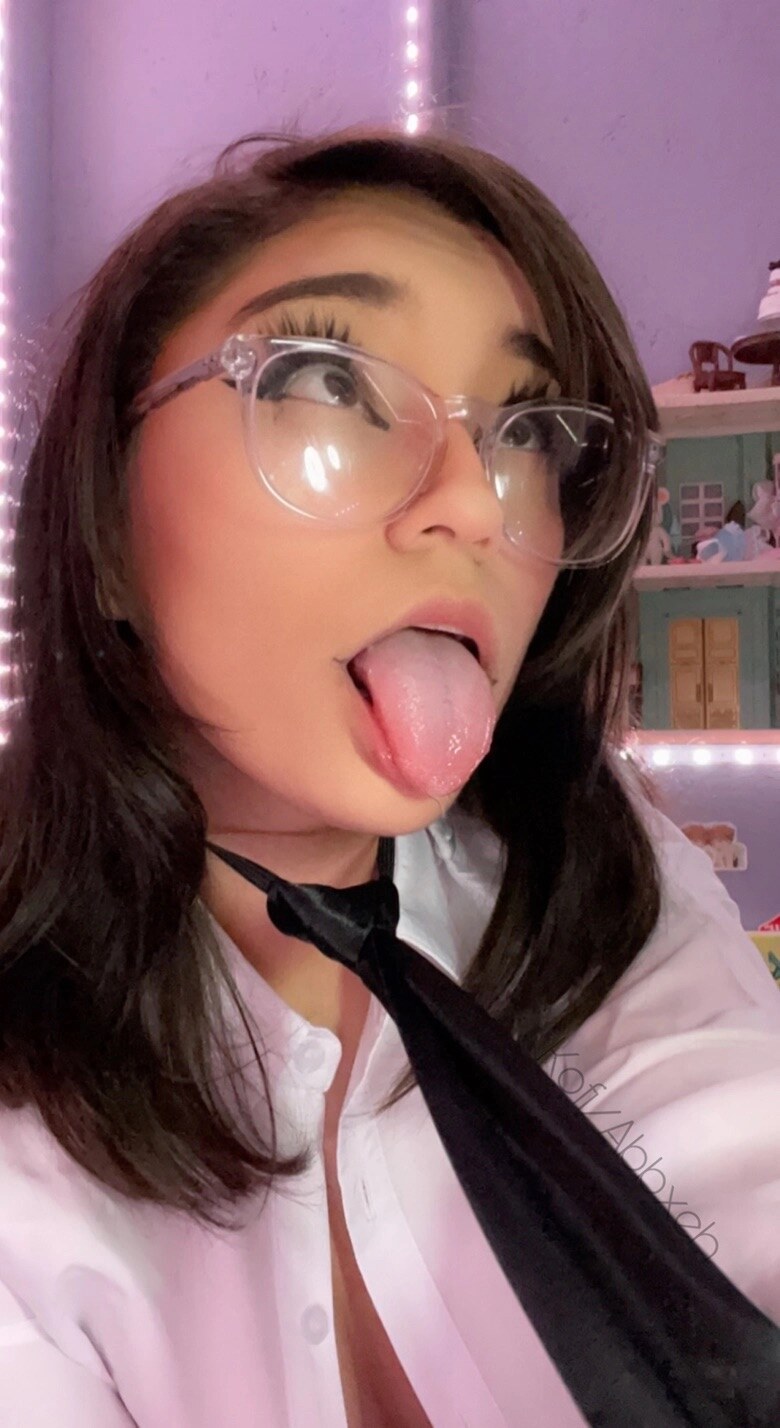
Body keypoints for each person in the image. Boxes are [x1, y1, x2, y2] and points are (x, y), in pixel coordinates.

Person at [0, 125, 777, 1428]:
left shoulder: (591, 868)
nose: (477, 499)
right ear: (111, 526)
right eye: (327, 379)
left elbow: (731, 1132)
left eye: (527, 428)